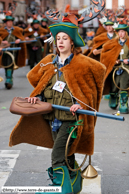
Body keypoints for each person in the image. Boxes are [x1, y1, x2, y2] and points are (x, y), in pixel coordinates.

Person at [9, 7, 106, 194]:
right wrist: (36, 97)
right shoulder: (48, 61)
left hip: (72, 120)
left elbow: (93, 84)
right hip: (52, 117)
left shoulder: (82, 64)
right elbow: (36, 79)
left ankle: (60, 189)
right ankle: (75, 182)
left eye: (65, 38)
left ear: (72, 42)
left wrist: (81, 104)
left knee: (57, 156)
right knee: (67, 155)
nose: (61, 42)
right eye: (58, 38)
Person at [101, 22, 129, 113]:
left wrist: (127, 60)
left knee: (124, 85)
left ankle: (123, 103)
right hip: (115, 69)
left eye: (123, 32)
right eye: (119, 32)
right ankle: (113, 98)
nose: (121, 34)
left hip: (126, 68)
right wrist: (113, 60)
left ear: (126, 33)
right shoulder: (113, 43)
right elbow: (106, 54)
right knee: (114, 86)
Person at [0, 12, 26, 89]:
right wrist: (1, 41)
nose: (10, 23)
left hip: (14, 51)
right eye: (8, 22)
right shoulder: (1, 31)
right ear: (5, 23)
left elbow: (22, 38)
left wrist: (19, 40)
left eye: (11, 22)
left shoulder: (17, 30)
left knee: (10, 64)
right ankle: (9, 78)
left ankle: (8, 79)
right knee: (6, 64)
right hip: (3, 51)